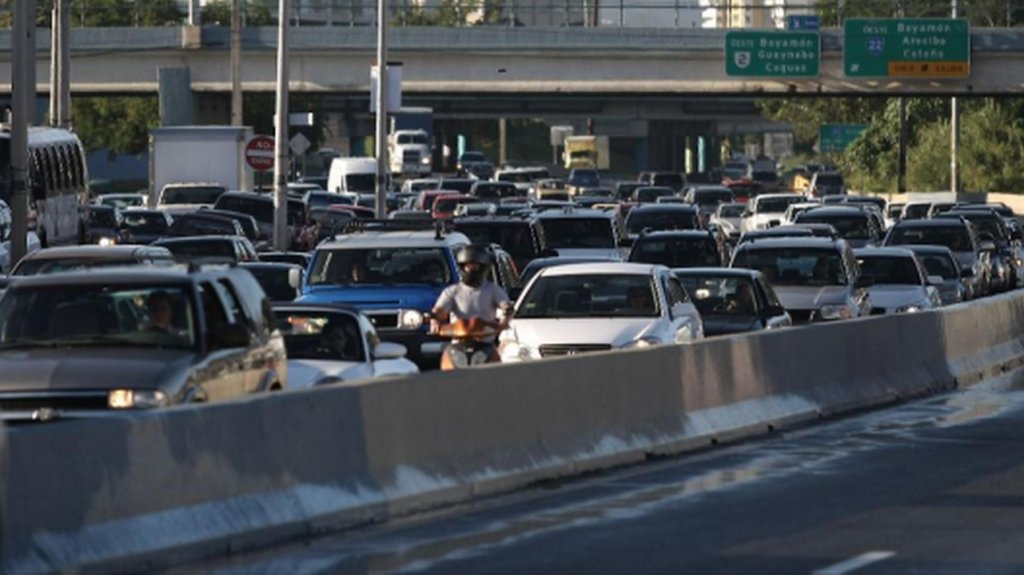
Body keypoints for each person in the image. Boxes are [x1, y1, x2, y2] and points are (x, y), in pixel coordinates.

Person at [430, 245, 512, 366]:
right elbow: (439, 310)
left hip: (485, 342)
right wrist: (435, 320)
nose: (472, 270)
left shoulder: (493, 289)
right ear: (462, 268)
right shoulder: (452, 291)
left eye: (475, 267)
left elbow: (506, 306)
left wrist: (505, 319)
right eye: (468, 266)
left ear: (483, 268)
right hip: (458, 342)